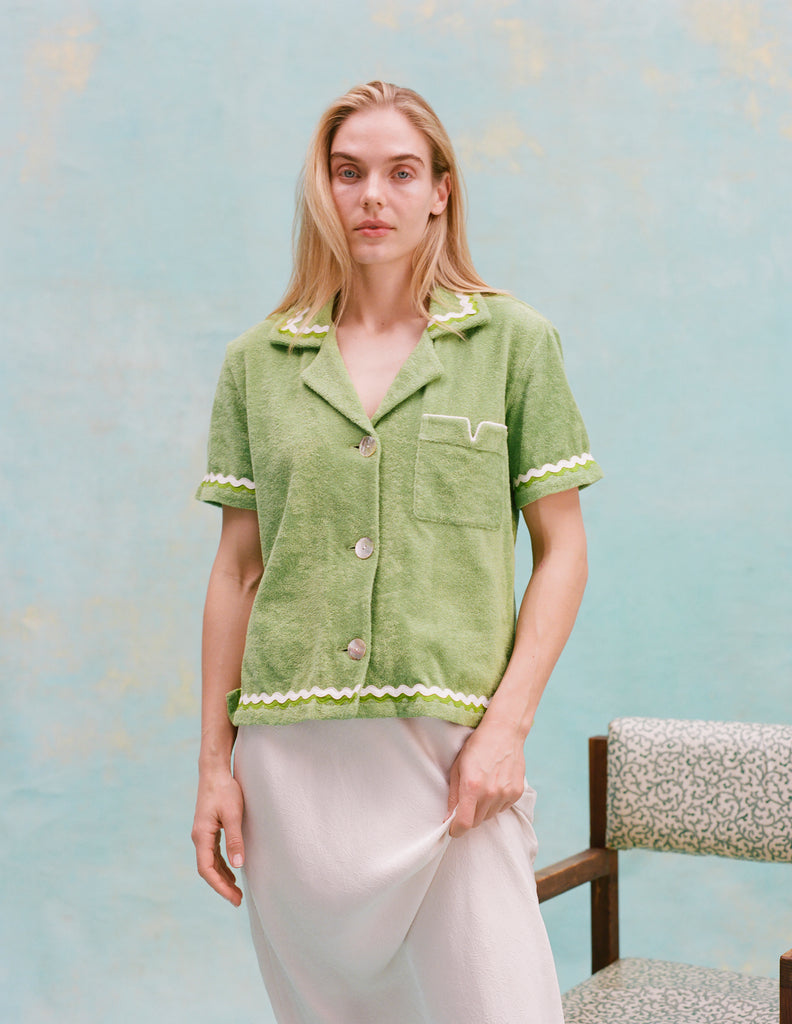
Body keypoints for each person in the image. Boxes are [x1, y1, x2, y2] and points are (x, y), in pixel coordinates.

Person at [192, 80, 602, 1024]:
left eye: (399, 172)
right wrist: (216, 766)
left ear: (440, 190)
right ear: (323, 190)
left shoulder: (513, 343)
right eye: (348, 173)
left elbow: (564, 550)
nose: (371, 195)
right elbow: (237, 572)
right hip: (291, 768)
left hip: (449, 757)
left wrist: (506, 729)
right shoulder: (258, 364)